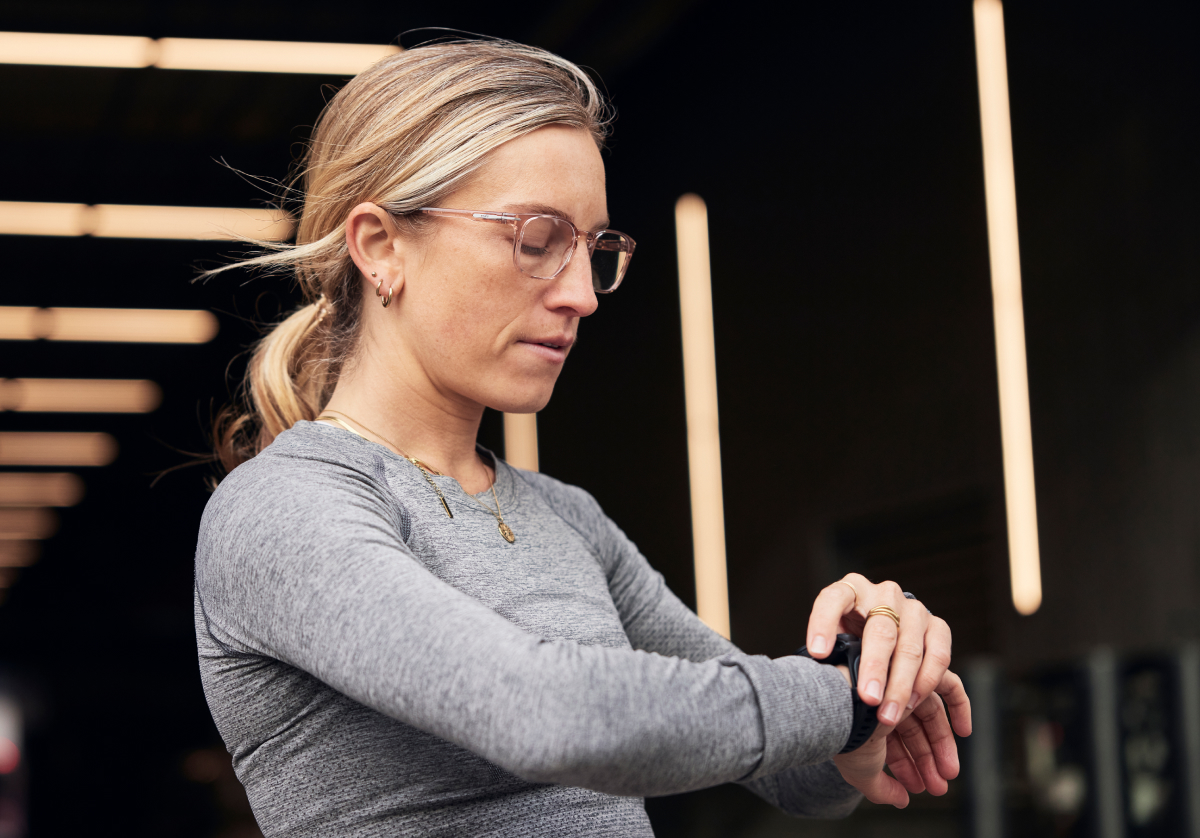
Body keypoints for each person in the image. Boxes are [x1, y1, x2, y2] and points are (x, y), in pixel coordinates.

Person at [194, 39, 971, 838]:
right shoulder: (281, 509)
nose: (581, 296)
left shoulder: (567, 518)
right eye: (536, 240)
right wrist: (836, 701)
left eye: (595, 251)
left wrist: (878, 677)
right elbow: (549, 715)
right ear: (381, 246)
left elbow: (802, 777)